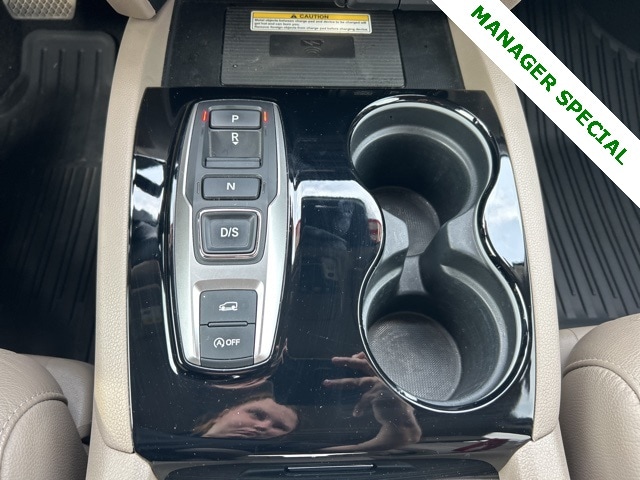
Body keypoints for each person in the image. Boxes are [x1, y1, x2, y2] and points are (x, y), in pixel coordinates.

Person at [193, 394, 298, 440]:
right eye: (257, 414)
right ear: (223, 414)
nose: (263, 426)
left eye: (279, 427)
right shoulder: (182, 451)